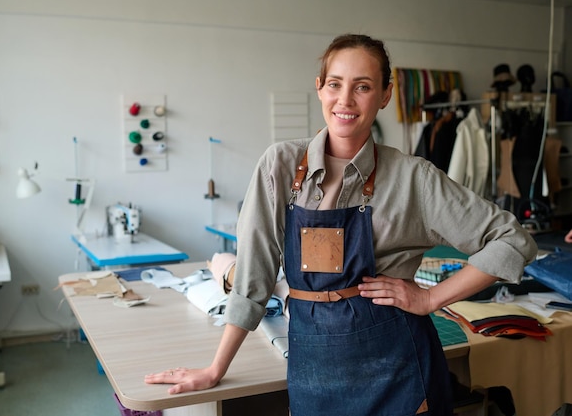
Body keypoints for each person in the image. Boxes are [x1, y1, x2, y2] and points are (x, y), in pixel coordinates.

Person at [144, 33, 537, 415]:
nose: (345, 100)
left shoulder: (412, 178)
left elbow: (512, 240)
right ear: (319, 87)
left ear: (385, 95)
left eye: (363, 87)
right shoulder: (279, 166)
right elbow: (254, 276)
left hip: (400, 374)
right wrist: (216, 369)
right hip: (314, 373)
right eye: (335, 84)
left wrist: (431, 299)